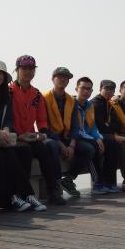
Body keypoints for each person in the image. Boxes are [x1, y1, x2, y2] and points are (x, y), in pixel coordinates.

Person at [0, 60, 44, 212]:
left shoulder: (5, 96)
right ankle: (22, 195)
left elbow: (8, 118)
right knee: (7, 155)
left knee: (25, 150)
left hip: (2, 137)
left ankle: (18, 195)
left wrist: (6, 130)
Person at [9, 55, 66, 205]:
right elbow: (5, 118)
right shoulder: (9, 91)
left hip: (31, 137)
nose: (28, 72)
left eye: (31, 69)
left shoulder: (37, 94)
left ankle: (53, 191)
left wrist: (42, 134)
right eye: (24, 68)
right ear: (17, 70)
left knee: (46, 148)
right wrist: (18, 135)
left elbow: (42, 121)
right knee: (26, 151)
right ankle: (22, 195)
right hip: (14, 137)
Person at [72, 77, 118, 194]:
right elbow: (76, 129)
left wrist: (98, 137)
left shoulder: (89, 105)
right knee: (93, 147)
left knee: (111, 143)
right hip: (75, 137)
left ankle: (109, 182)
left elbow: (93, 127)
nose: (86, 91)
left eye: (89, 89)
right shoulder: (72, 104)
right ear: (76, 89)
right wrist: (94, 139)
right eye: (83, 88)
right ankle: (98, 182)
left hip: (88, 136)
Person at [43, 66, 83, 198]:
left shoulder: (72, 100)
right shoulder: (44, 98)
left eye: (66, 77)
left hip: (67, 137)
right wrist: (61, 144)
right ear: (52, 79)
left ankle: (69, 179)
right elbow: (44, 126)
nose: (63, 79)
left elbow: (75, 125)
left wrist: (72, 145)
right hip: (51, 137)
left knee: (88, 148)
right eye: (59, 77)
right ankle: (56, 184)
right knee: (53, 147)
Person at [90, 80, 122, 190]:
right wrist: (112, 135)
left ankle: (110, 182)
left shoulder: (110, 103)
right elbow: (99, 125)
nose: (109, 91)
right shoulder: (95, 103)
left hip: (105, 134)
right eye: (106, 89)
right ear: (100, 89)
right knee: (112, 142)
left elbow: (116, 123)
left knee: (115, 143)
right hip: (96, 135)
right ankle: (102, 182)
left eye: (112, 89)